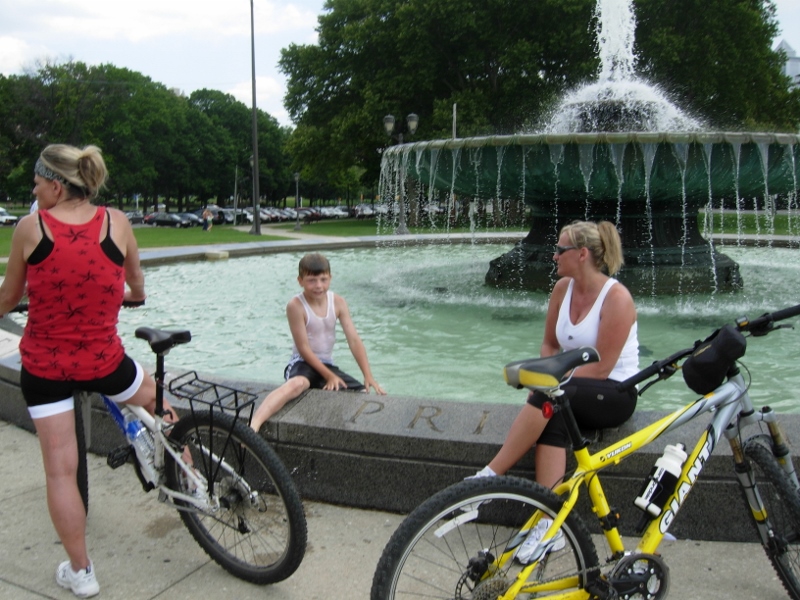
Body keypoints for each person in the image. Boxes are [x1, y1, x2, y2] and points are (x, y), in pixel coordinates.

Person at [0, 144, 178, 598]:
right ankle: (186, 468)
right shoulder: (116, 222)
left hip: (46, 367)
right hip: (105, 362)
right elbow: (136, 286)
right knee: (160, 401)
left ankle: (81, 573)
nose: (33, 189)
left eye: (37, 182)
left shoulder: (29, 228)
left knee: (62, 471)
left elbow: (7, 299)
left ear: (56, 185)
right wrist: (126, 296)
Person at [472, 220, 639, 563]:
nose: (553, 256)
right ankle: (550, 527)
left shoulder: (617, 298)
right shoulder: (563, 289)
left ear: (581, 254)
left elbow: (603, 367)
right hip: (573, 388)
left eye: (560, 250)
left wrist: (551, 384)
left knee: (552, 397)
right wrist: (547, 378)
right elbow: (549, 345)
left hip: (614, 392)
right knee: (555, 419)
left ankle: (487, 479)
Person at [250, 252, 386, 432]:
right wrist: (328, 376)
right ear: (300, 280)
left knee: (363, 393)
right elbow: (303, 348)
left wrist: (368, 375)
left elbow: (353, 340)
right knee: (297, 385)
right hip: (302, 363)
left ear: (330, 277)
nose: (318, 286)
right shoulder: (295, 305)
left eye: (323, 279)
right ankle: (254, 424)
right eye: (312, 280)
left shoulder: (338, 302)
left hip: (326, 365)